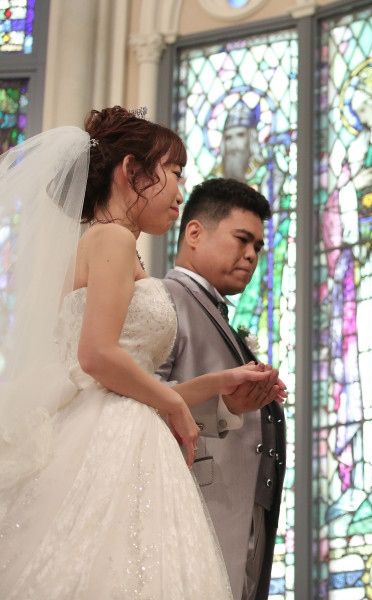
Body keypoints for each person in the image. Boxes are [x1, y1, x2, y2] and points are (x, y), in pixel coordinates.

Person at [0, 107, 278, 597]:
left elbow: (126, 380)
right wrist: (173, 403)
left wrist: (218, 385)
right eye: (174, 172)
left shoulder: (119, 246)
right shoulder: (109, 237)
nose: (180, 193)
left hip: (124, 421)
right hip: (108, 437)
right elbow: (96, 355)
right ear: (132, 171)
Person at [157, 177, 287, 600]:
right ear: (194, 233)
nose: (251, 255)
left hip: (246, 513)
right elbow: (138, 404)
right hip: (193, 510)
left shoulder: (215, 311)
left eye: (258, 247)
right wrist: (226, 405)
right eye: (242, 239)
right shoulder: (164, 299)